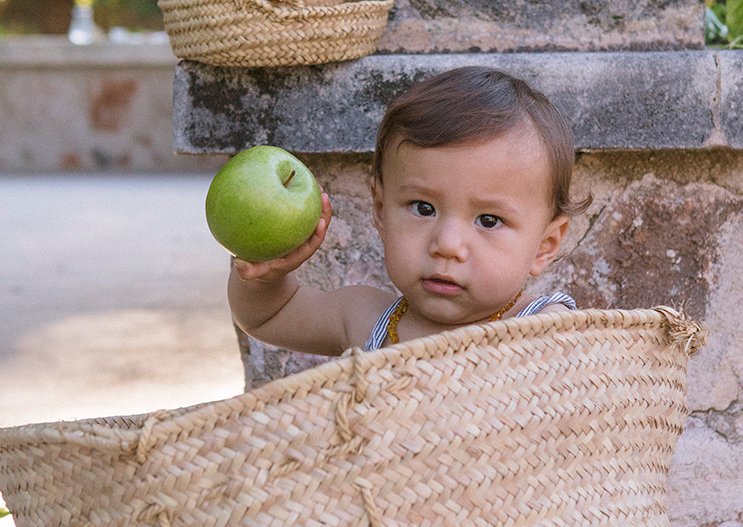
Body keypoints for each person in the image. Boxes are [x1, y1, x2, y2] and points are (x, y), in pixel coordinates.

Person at [228, 66, 589, 357]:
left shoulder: (545, 332)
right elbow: (270, 316)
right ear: (381, 211)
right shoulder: (365, 319)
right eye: (424, 208)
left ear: (544, 245)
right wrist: (263, 279)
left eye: (489, 220)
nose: (447, 245)